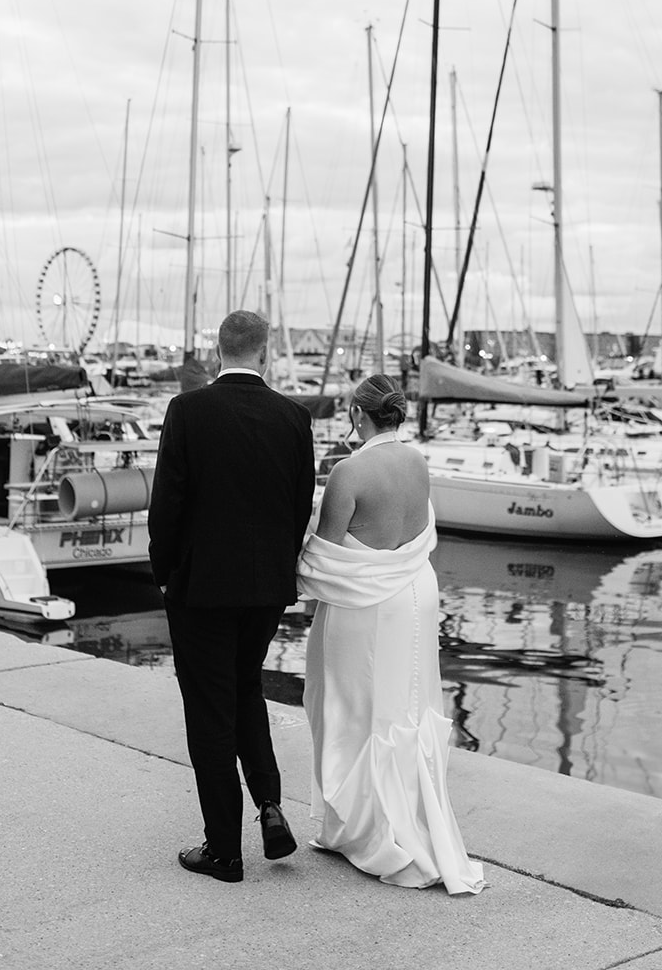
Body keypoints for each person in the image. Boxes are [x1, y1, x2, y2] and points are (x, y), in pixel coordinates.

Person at [297, 373, 485, 893]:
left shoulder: (348, 472)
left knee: (352, 707)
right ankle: (400, 821)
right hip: (416, 598)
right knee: (404, 706)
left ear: (359, 414)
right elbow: (413, 532)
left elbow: (326, 553)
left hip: (365, 605)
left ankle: (368, 830)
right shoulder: (418, 463)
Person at [148, 310, 316, 884]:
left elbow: (166, 502)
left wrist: (164, 572)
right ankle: (269, 804)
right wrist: (276, 572)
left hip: (201, 590)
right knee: (245, 690)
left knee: (209, 710)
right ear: (265, 353)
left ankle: (223, 849)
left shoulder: (188, 411)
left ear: (218, 351)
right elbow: (299, 510)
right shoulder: (294, 417)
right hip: (266, 589)